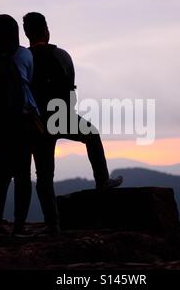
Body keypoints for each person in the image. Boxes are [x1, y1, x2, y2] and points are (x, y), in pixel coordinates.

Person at [22, 12, 123, 233]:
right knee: (92, 135)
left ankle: (52, 224)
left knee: (44, 174)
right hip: (62, 116)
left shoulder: (24, 59)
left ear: (26, 33)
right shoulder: (62, 55)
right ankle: (102, 180)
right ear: (46, 30)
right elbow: (70, 88)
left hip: (37, 122)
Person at [0, 14, 41, 237]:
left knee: (2, 173)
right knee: (23, 175)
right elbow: (29, 81)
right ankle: (19, 226)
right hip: (21, 121)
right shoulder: (24, 54)